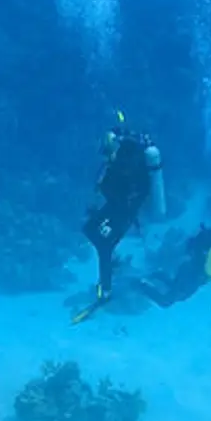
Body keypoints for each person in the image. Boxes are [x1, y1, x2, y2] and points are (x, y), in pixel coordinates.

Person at [73, 113, 164, 324]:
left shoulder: (127, 160)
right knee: (91, 231)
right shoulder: (124, 157)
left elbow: (118, 187)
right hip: (119, 207)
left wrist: (106, 193)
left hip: (124, 210)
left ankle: (106, 291)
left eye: (108, 143)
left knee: (104, 244)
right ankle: (112, 270)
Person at [144, 221, 211, 310]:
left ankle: (154, 275)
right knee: (166, 302)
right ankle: (136, 284)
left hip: (195, 276)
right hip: (191, 274)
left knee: (177, 292)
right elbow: (209, 269)